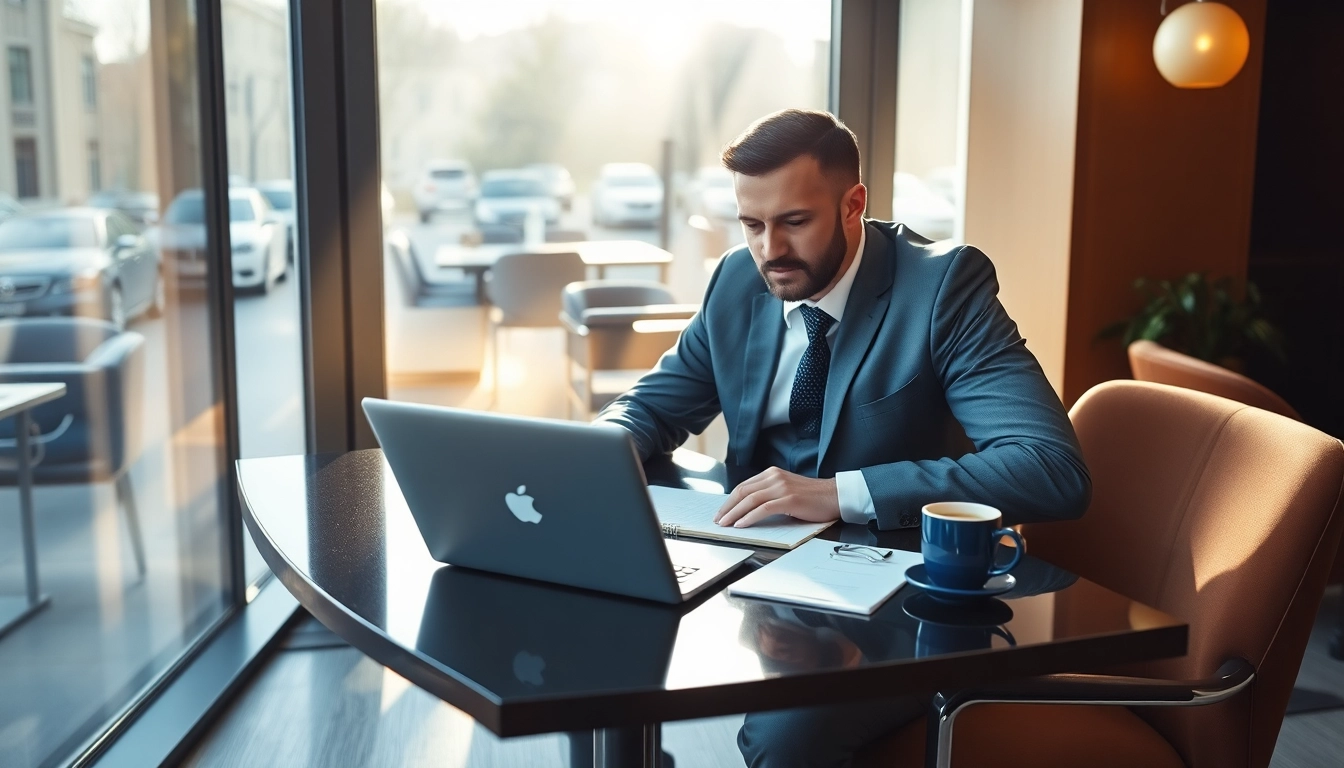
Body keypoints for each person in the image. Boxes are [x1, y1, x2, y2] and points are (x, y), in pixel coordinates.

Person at [595, 109, 1091, 766]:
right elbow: (652, 407)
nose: (770, 249)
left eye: (794, 222)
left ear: (853, 204)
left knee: (782, 738)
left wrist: (840, 493)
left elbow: (1049, 469)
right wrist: (598, 455)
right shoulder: (737, 282)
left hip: (899, 604)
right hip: (758, 571)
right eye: (752, 225)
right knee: (594, 653)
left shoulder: (943, 288)